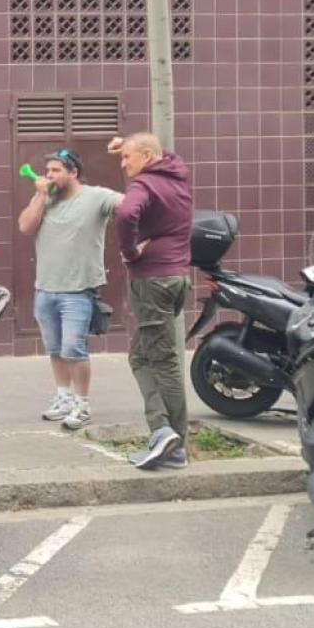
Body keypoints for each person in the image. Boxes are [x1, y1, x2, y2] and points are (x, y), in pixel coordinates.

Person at [16, 148, 120, 430]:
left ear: (73, 172)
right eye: (47, 171)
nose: (49, 175)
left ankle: (82, 404)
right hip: (45, 289)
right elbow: (25, 226)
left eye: (56, 171)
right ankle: (63, 398)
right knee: (55, 349)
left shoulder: (96, 197)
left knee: (74, 348)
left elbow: (128, 206)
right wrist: (40, 195)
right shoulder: (45, 199)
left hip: (78, 290)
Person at [111, 132, 195, 469]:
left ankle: (174, 442)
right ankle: (163, 431)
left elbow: (126, 214)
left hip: (152, 280)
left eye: (127, 157)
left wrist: (129, 250)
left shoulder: (144, 184)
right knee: (141, 357)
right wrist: (126, 144)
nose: (123, 163)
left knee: (162, 360)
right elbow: (161, 151)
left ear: (146, 156)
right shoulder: (176, 176)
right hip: (177, 278)